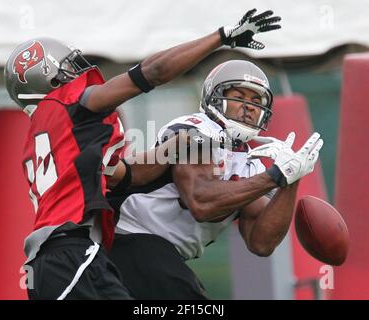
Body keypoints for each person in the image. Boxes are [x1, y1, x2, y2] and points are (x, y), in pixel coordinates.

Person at [4, 8, 281, 300]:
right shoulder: (71, 104)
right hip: (71, 253)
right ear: (50, 79)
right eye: (68, 66)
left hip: (65, 257)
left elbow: (123, 176)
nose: (79, 72)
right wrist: (220, 37)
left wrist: (170, 149)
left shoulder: (42, 138)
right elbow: (152, 73)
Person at [106, 60, 324, 299]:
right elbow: (201, 202)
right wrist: (274, 176)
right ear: (217, 97)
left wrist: (290, 181)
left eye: (255, 102)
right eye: (239, 96)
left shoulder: (252, 163)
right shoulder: (195, 129)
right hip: (126, 237)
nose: (248, 107)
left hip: (161, 253)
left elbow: (261, 243)